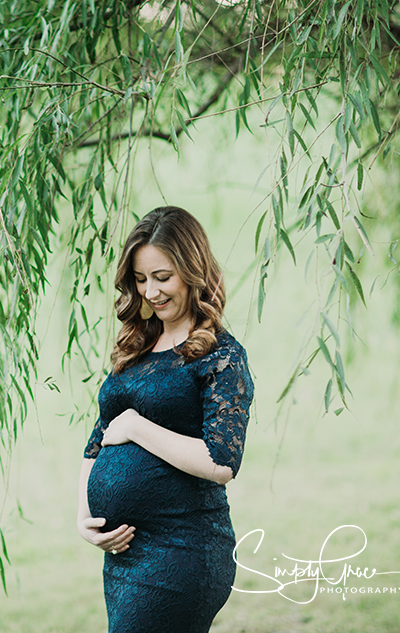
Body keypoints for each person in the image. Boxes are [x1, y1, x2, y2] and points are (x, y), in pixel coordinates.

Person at [76, 206, 254, 633]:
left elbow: (221, 462)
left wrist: (138, 426)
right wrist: (85, 521)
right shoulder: (137, 345)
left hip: (183, 549)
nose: (150, 292)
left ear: (193, 271)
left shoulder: (221, 356)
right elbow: (97, 441)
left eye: (162, 277)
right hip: (124, 558)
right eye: (140, 280)